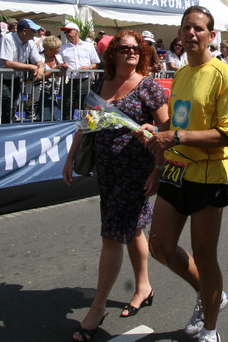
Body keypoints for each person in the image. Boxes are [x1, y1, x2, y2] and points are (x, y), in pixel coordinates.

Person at [139, 6, 228, 342]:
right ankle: (209, 293)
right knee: (160, 246)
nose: (191, 33)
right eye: (186, 28)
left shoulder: (225, 75)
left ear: (211, 36)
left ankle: (210, 330)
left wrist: (175, 136)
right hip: (175, 170)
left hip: (208, 176)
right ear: (179, 34)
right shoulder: (181, 74)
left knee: (205, 257)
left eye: (198, 28)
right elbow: (177, 124)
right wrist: (158, 138)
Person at [63, 30, 170, 342]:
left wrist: (158, 168)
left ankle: (96, 309)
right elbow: (88, 122)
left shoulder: (148, 86)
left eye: (136, 49)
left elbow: (166, 129)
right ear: (113, 54)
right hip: (108, 172)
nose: (131, 53)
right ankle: (143, 287)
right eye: (124, 49)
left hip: (135, 172)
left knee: (111, 236)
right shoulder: (102, 83)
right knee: (133, 229)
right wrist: (70, 157)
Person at [0, 18, 43, 123]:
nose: (35, 33)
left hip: (15, 78)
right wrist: (31, 67)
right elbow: (8, 63)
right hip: (0, 78)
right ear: (24, 31)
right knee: (7, 105)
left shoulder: (31, 43)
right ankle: (7, 128)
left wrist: (41, 69)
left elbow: (38, 61)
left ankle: (10, 125)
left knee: (14, 105)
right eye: (33, 31)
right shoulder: (8, 39)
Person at [60, 22, 100, 118]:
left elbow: (96, 63)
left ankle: (85, 125)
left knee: (85, 106)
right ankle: (66, 125)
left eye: (68, 31)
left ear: (76, 31)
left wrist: (88, 67)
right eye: (65, 32)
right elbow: (59, 63)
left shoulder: (88, 46)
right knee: (67, 106)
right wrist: (62, 65)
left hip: (85, 80)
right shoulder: (63, 48)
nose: (66, 34)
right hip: (69, 81)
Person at [35, 35, 64, 121]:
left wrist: (63, 68)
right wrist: (55, 69)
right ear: (50, 49)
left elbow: (60, 74)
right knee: (41, 118)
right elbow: (39, 76)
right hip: (39, 92)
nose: (59, 49)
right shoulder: (38, 58)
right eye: (57, 48)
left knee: (54, 117)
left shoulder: (58, 58)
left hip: (53, 92)